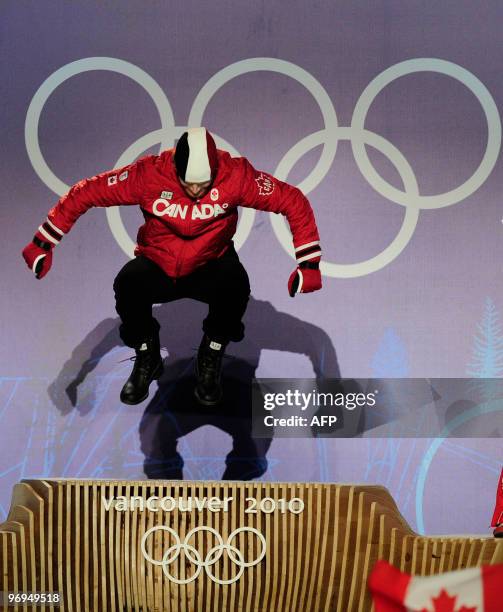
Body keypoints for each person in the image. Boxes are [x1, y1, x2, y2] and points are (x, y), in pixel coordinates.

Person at [22, 127, 323, 406]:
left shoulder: (236, 176)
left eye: (203, 184)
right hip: (159, 264)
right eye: (187, 183)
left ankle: (211, 352)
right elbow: (85, 193)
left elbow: (291, 200)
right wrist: (43, 242)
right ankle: (147, 355)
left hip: (211, 262)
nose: (194, 191)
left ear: (215, 171)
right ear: (175, 170)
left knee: (236, 283)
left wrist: (308, 263)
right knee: (128, 283)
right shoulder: (148, 174)